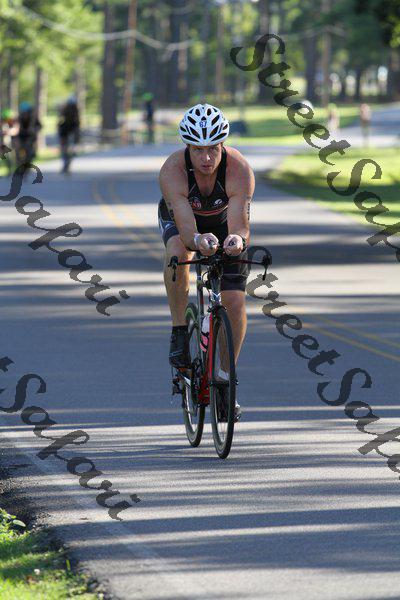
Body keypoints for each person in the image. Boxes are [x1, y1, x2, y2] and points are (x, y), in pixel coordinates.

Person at [158, 103, 255, 421]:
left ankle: (225, 378)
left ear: (222, 144)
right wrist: (198, 240)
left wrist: (236, 240)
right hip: (184, 223)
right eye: (198, 150)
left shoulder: (239, 169)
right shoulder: (173, 170)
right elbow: (187, 231)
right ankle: (179, 330)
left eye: (213, 148)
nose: (207, 158)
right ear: (187, 147)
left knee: (234, 301)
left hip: (224, 224)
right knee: (177, 251)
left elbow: (240, 225)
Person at [15, 102, 42, 167]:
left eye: (26, 113)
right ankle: (20, 164)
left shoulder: (33, 118)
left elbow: (39, 126)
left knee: (29, 150)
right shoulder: (19, 118)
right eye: (23, 113)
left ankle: (29, 160)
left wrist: (34, 130)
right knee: (19, 150)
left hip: (30, 137)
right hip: (21, 137)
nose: (25, 114)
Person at [58, 96, 80, 173]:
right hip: (66, 130)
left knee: (66, 149)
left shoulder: (71, 110)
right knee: (66, 149)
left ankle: (66, 163)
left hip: (68, 130)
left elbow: (60, 119)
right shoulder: (72, 110)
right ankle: (66, 163)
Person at [0, 109, 18, 176]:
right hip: (4, 143)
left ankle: (13, 170)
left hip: (13, 142)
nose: (8, 120)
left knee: (11, 157)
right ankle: (9, 170)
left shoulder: (13, 122)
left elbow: (16, 130)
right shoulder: (3, 123)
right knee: (6, 157)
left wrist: (8, 132)